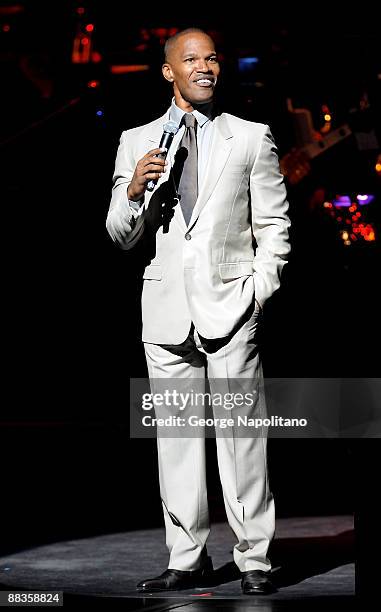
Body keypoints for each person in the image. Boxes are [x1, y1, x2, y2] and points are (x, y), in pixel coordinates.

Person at [106, 28, 291, 596]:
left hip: (230, 308)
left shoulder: (250, 137)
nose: (205, 66)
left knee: (241, 439)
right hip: (165, 313)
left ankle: (254, 556)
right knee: (177, 442)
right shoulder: (136, 140)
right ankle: (187, 559)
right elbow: (118, 233)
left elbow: (274, 226)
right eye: (191, 59)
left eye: (212, 57)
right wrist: (135, 191)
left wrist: (257, 291)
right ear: (169, 72)